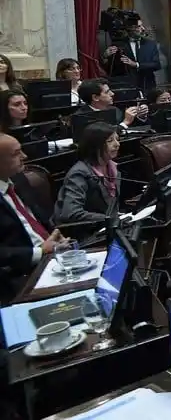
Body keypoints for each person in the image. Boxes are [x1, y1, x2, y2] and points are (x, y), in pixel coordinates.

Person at [0, 133, 67, 303]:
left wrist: (56, 236)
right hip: (19, 276)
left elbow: (39, 218)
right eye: (16, 153)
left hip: (52, 257)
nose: (25, 156)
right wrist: (40, 251)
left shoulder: (17, 179)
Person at [54, 122, 121, 224]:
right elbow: (71, 213)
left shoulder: (112, 168)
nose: (117, 144)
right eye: (110, 141)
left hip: (108, 226)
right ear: (95, 145)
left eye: (117, 139)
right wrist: (108, 219)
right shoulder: (79, 174)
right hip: (85, 231)